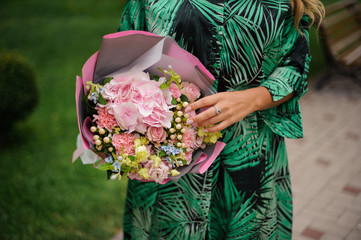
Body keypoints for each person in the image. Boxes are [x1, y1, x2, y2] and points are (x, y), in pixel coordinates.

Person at [118, 0, 324, 239]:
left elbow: (295, 66)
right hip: (167, 156)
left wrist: (252, 99)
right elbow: (123, 60)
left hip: (249, 155)